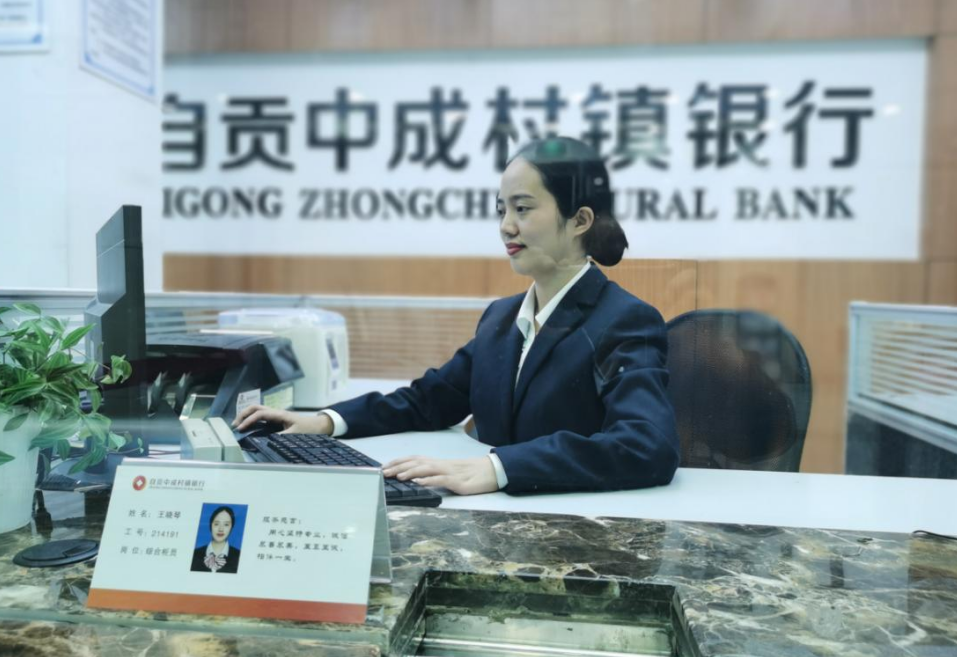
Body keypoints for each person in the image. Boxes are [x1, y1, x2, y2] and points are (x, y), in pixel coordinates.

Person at [235, 136, 679, 496]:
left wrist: (499, 468)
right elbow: (427, 401)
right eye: (502, 210)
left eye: (523, 209)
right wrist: (323, 423)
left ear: (580, 220)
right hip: (492, 520)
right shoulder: (501, 319)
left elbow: (646, 446)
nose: (506, 226)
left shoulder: (625, 320)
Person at [190, 506, 242, 573]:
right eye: (216, 524)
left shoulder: (239, 556)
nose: (221, 529)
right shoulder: (195, 554)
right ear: (210, 525)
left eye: (226, 524)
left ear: (231, 528)